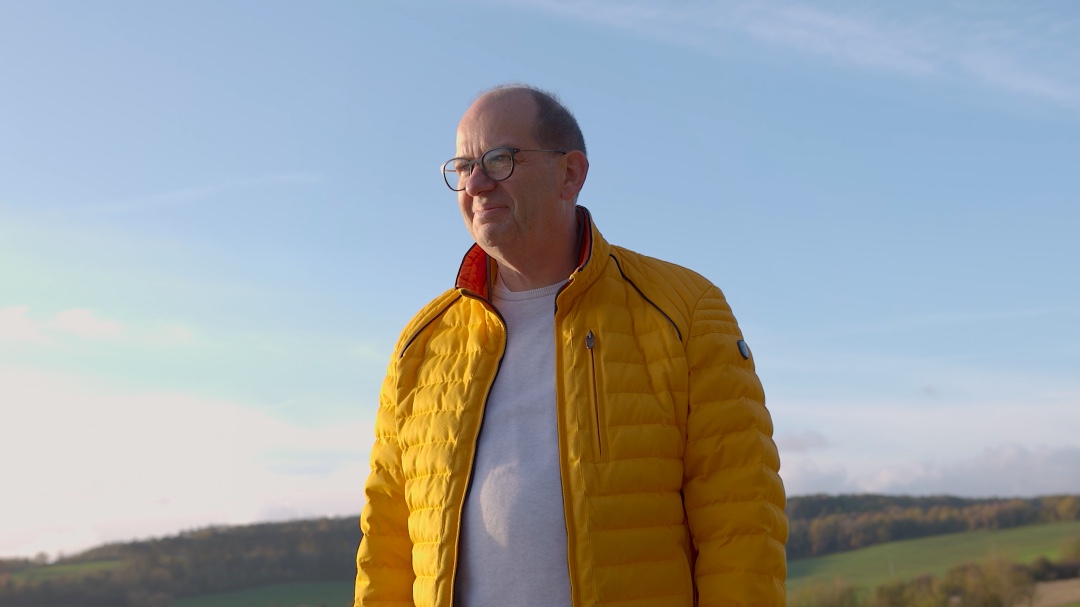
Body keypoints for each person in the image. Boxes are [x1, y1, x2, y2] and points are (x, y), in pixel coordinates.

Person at [354, 84, 787, 607]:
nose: (477, 182)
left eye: (499, 158)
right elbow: (386, 550)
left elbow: (741, 532)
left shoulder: (685, 311)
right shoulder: (421, 345)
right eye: (463, 166)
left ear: (571, 174)